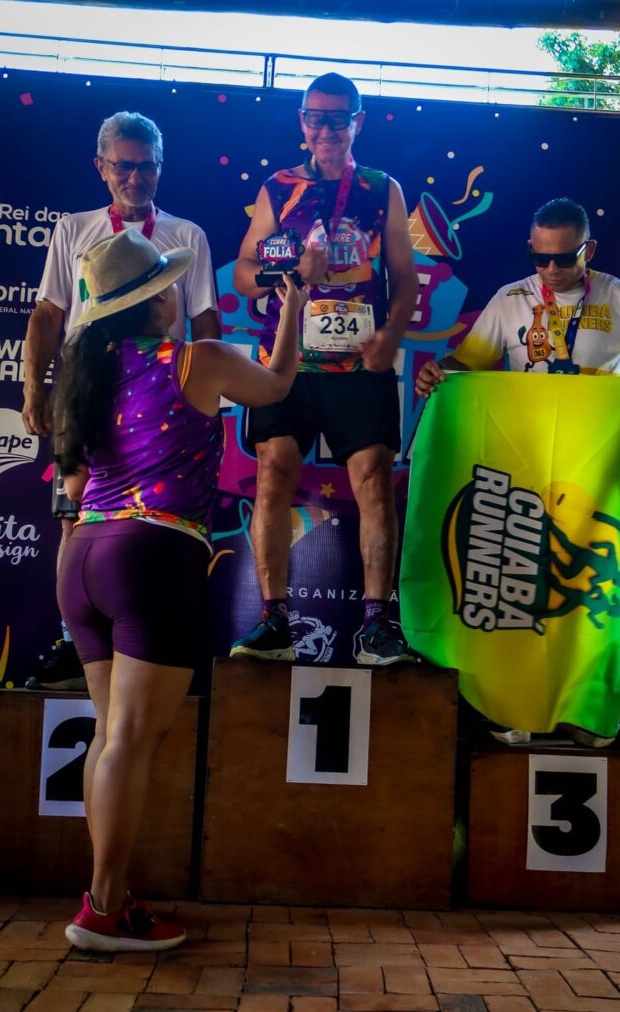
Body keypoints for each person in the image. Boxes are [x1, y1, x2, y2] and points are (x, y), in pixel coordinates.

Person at [54, 228, 305, 951]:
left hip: (84, 554)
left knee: (112, 736)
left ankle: (108, 898)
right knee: (130, 740)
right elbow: (277, 385)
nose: (173, 294)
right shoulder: (197, 358)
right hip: (152, 555)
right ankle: (103, 909)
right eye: (166, 285)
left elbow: (75, 482)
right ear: (155, 299)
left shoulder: (86, 370)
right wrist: (293, 308)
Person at [416, 196, 620, 748]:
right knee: (519, 584)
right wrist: (436, 374)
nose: (551, 270)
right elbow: (465, 366)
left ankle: (588, 712)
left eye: (564, 258)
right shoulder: (511, 298)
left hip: (595, 471)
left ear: (589, 250)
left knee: (589, 595)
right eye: (539, 258)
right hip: (524, 467)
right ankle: (513, 707)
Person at [22, 110, 221, 691]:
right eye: (124, 166)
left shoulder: (187, 236)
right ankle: (74, 641)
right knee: (76, 514)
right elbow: (48, 314)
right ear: (101, 167)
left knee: (157, 524)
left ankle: (145, 642)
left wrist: (207, 395)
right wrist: (35, 388)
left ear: (161, 167)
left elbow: (206, 322)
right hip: (88, 394)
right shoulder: (74, 229)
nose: (136, 178)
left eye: (147, 167)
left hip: (162, 401)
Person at [230, 72, 419, 666]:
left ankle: (377, 627)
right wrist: (289, 275)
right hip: (285, 360)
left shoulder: (381, 189)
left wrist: (390, 335)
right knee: (273, 471)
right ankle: (274, 622)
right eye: (316, 118)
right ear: (302, 122)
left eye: (339, 118)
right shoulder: (278, 188)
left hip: (358, 360)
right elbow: (243, 273)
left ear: (358, 122)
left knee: (373, 479)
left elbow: (406, 277)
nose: (327, 129)